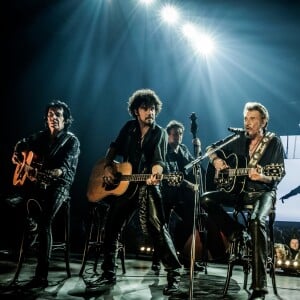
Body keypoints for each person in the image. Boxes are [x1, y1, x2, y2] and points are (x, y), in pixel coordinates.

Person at [86, 89, 182, 296]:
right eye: (145, 108)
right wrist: (109, 167)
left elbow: (158, 161)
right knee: (111, 226)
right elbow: (113, 148)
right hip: (124, 186)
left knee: (157, 229)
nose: (150, 112)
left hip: (147, 185)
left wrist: (155, 174)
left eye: (153, 108)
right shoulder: (129, 128)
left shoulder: (160, 133)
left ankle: (174, 275)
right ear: (136, 111)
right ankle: (108, 273)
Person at [201, 102, 285, 300]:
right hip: (240, 192)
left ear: (263, 122)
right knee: (206, 200)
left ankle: (259, 288)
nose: (247, 123)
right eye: (245, 119)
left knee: (256, 221)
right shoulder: (239, 139)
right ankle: (236, 232)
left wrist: (262, 177)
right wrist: (216, 161)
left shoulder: (274, 142)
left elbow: (278, 174)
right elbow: (210, 148)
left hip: (264, 193)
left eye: (252, 119)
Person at [10, 100, 80, 288]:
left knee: (45, 222)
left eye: (57, 115)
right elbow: (22, 143)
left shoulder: (71, 141)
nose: (53, 118)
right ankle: (31, 224)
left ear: (65, 119)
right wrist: (17, 153)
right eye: (50, 115)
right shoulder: (41, 136)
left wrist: (55, 173)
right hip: (39, 184)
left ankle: (41, 276)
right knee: (12, 203)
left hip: (60, 186)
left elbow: (65, 168)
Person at [151, 120, 206, 272]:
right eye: (175, 134)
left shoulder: (183, 149)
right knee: (162, 226)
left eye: (180, 134)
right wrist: (188, 185)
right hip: (165, 194)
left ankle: (186, 257)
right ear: (168, 135)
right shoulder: (163, 150)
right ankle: (157, 260)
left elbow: (193, 167)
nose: (178, 137)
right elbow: (171, 175)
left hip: (180, 196)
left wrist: (198, 149)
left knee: (191, 220)